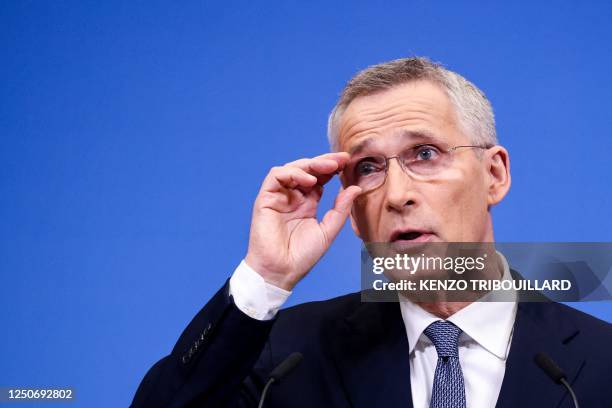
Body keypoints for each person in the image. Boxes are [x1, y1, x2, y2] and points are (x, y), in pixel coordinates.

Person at [131, 57, 612, 407]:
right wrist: (266, 275)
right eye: (367, 167)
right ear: (353, 209)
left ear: (494, 175)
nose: (396, 194)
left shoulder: (601, 361)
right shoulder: (285, 359)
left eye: (425, 153)